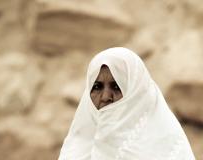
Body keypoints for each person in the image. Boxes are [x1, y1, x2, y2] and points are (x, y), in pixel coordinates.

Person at [58, 47, 195, 160]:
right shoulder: (75, 150)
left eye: (117, 87)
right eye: (97, 87)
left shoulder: (165, 149)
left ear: (136, 94)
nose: (105, 97)